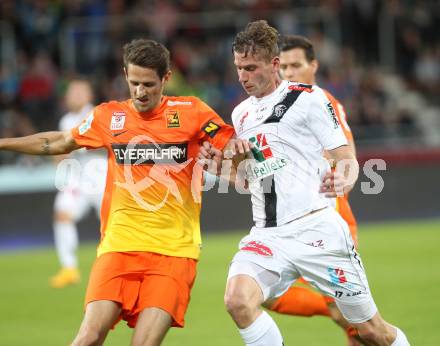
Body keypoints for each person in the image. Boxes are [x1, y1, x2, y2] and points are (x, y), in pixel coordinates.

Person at [0, 38, 235, 345]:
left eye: (149, 84)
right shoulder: (108, 117)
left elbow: (232, 149)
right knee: (87, 336)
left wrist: (229, 157)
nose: (140, 92)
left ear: (166, 78)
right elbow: (59, 142)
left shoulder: (192, 112)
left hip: (173, 254)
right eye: (134, 82)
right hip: (118, 249)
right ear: (125, 74)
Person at [205, 20, 409, 346]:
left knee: (371, 331)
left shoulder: (310, 98)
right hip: (268, 234)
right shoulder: (241, 114)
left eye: (251, 67)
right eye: (238, 67)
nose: (242, 76)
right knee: (238, 300)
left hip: (317, 229)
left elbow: (347, 157)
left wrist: (344, 176)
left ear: (273, 65)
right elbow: (248, 178)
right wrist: (220, 169)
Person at [264, 34, 361, 344]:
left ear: (313, 66)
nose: (290, 73)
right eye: (285, 67)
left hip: (327, 216)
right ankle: (336, 312)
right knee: (260, 294)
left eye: (296, 66)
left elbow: (347, 156)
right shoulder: (273, 107)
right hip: (290, 220)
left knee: (359, 322)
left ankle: (345, 316)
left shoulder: (323, 102)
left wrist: (341, 178)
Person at [50, 79, 107, 288]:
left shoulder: (99, 114)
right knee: (62, 213)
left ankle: (118, 268)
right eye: (71, 92)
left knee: (112, 224)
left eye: (79, 92)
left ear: (89, 95)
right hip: (78, 178)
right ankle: (69, 268)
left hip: (101, 175)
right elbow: (61, 151)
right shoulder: (66, 121)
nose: (74, 96)